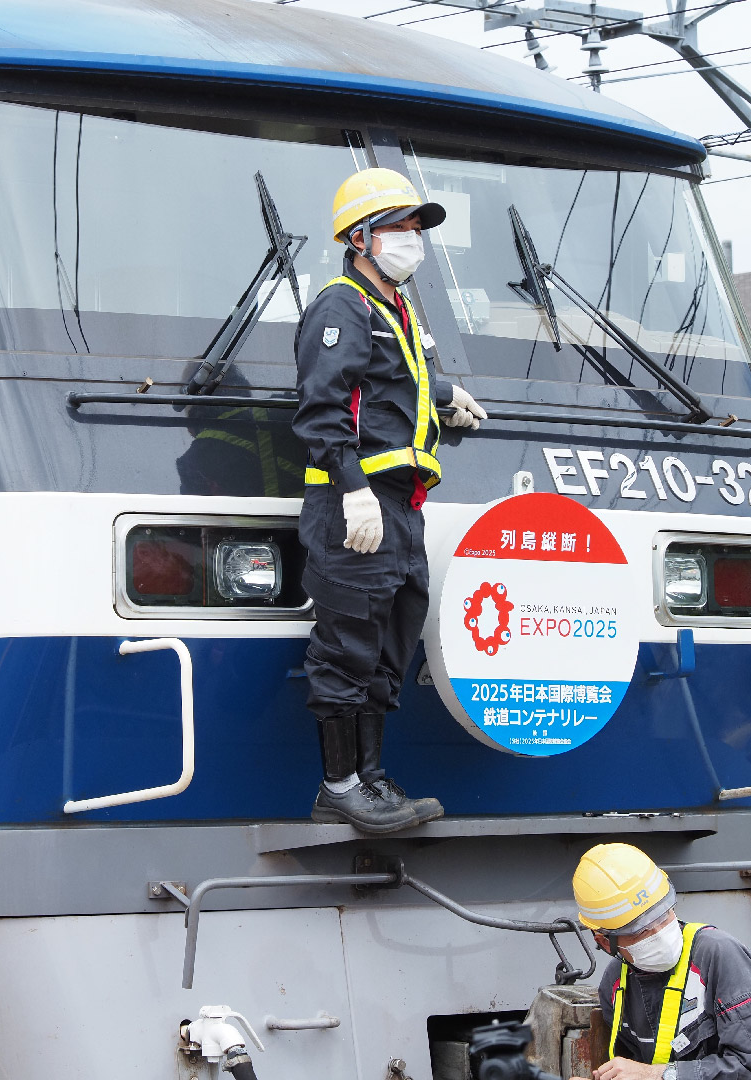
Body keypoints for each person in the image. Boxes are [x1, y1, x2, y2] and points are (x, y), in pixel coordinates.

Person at [292, 167, 486, 833]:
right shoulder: (340, 306)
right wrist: (354, 494)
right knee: (345, 648)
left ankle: (372, 780)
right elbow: (322, 412)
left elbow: (395, 380)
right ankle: (339, 785)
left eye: (417, 227)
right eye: (399, 227)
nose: (413, 239)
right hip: (357, 509)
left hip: (403, 512)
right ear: (360, 238)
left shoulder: (397, 310)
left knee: (386, 649)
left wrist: (444, 395)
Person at [571, 843, 751, 1080]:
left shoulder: (718, 956)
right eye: (641, 929)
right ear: (606, 941)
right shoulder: (615, 986)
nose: (660, 931)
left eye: (664, 914)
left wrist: (659, 1075)